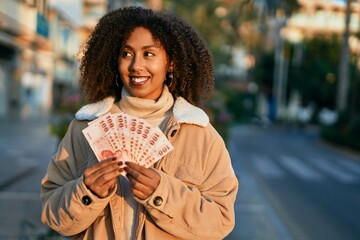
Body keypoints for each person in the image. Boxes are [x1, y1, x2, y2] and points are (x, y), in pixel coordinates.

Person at [41, 6, 238, 240]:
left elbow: (220, 221)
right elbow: (51, 212)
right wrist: (87, 193)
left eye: (149, 54)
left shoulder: (200, 135)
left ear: (171, 63)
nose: (136, 66)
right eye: (126, 53)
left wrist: (161, 193)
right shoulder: (84, 128)